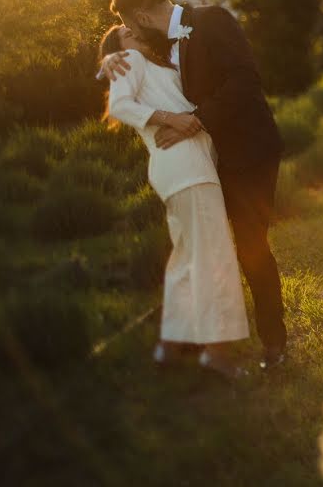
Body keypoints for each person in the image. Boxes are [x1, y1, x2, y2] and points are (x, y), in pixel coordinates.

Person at [98, 0, 287, 371]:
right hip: (200, 163)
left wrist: (195, 120)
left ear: (145, 16)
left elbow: (245, 81)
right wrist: (106, 59)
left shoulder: (212, 20)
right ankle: (192, 342)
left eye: (132, 25)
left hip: (249, 154)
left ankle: (274, 344)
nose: (132, 33)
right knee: (200, 249)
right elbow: (130, 69)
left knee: (250, 247)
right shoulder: (158, 47)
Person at [100, 24, 252, 378]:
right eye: (123, 32)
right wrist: (174, 119)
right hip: (186, 168)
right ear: (119, 48)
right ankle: (218, 354)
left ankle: (169, 348)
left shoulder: (162, 61)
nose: (131, 31)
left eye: (133, 27)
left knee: (187, 257)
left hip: (180, 169)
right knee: (214, 256)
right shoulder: (131, 59)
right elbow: (121, 105)